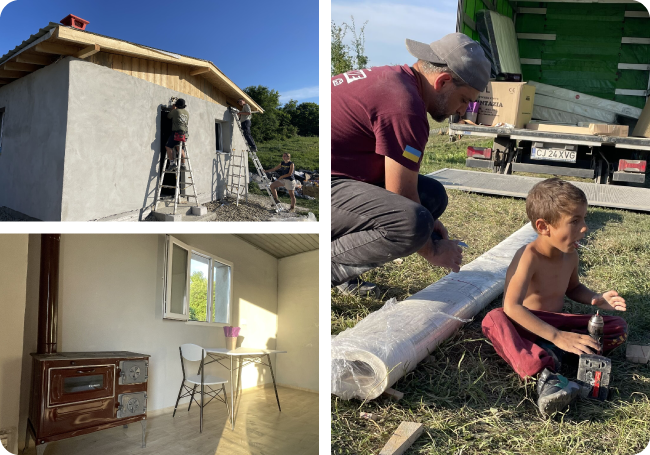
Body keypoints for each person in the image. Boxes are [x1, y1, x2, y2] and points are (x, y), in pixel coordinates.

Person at [331, 33, 491, 296]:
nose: (463, 111)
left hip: (341, 177)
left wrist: (428, 225)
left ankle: (340, 269)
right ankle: (322, 272)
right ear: (443, 81)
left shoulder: (394, 79)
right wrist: (433, 249)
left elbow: (405, 186)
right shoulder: (405, 106)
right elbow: (401, 194)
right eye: (464, 99)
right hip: (326, 183)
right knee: (410, 223)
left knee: (431, 197)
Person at [482, 178, 628, 417]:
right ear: (543, 226)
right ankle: (546, 376)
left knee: (616, 326)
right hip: (526, 325)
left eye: (584, 218)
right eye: (575, 221)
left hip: (558, 324)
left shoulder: (570, 255)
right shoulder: (528, 256)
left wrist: (596, 299)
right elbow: (511, 306)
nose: (585, 227)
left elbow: (573, 288)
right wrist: (557, 336)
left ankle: (560, 353)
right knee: (493, 319)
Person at [165, 98, 189, 171]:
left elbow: (168, 116)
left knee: (168, 146)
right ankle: (183, 165)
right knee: (180, 148)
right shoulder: (187, 113)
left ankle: (172, 164)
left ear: (177, 105)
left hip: (177, 133)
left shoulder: (175, 111)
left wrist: (173, 109)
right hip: (185, 134)